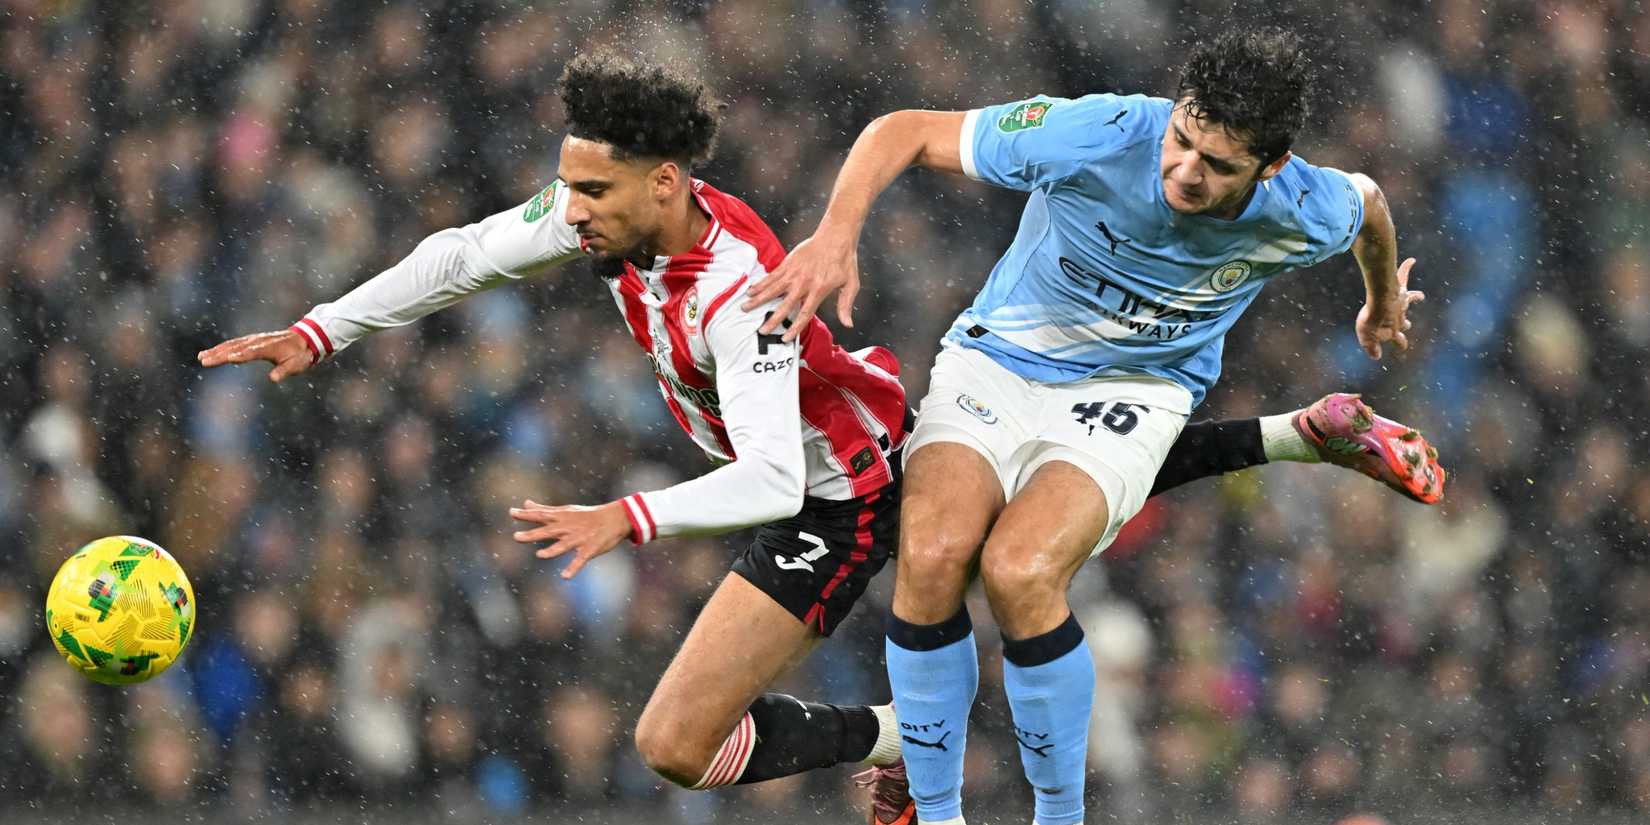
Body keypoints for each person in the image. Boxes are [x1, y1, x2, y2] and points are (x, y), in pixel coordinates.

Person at [198, 48, 1442, 815]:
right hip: (898, 425)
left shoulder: (742, 300)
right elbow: (468, 253)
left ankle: (946, 767)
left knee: (982, 569)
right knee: (685, 748)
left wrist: (622, 520)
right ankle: (906, 741)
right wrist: (318, 332)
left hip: (833, 489)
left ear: (664, 187)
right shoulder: (605, 218)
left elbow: (766, 476)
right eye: (566, 186)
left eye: (587, 190)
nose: (565, 209)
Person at [745, 27, 1434, 825]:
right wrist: (837, 233)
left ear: (1269, 166)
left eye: (1217, 165)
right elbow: (905, 129)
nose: (1184, 169)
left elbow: (1371, 206)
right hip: (999, 358)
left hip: (1138, 390)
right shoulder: (1101, 132)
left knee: (1020, 571)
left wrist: (1381, 299)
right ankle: (935, 815)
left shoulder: (1305, 204)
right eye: (1182, 141)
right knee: (930, 554)